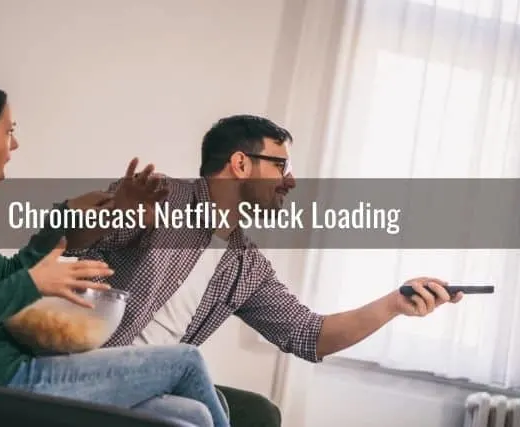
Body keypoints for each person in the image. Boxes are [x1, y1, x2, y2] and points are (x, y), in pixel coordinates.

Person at [72, 114, 465, 427]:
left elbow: (310, 335)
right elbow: (72, 243)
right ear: (241, 164)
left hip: (152, 389)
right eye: (281, 165)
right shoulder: (159, 198)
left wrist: (395, 303)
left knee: (254, 413)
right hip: (89, 373)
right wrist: (116, 210)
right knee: (191, 378)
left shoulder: (246, 264)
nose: (289, 180)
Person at [0, 76, 231, 427]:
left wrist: (65, 215)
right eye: (8, 131)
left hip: (11, 372)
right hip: (1, 384)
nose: (14, 144)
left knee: (193, 416)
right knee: (186, 361)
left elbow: (10, 272)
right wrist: (32, 284)